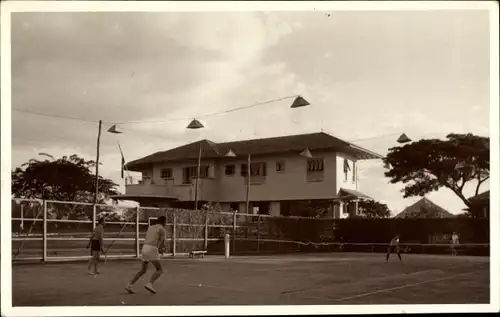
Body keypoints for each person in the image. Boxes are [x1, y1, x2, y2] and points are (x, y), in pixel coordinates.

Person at [125, 216, 167, 294]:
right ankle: (150, 284)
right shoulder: (162, 229)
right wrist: (161, 249)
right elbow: (162, 242)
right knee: (159, 270)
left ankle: (129, 285)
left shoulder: (150, 227)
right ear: (164, 222)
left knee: (143, 270)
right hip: (152, 248)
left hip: (145, 247)